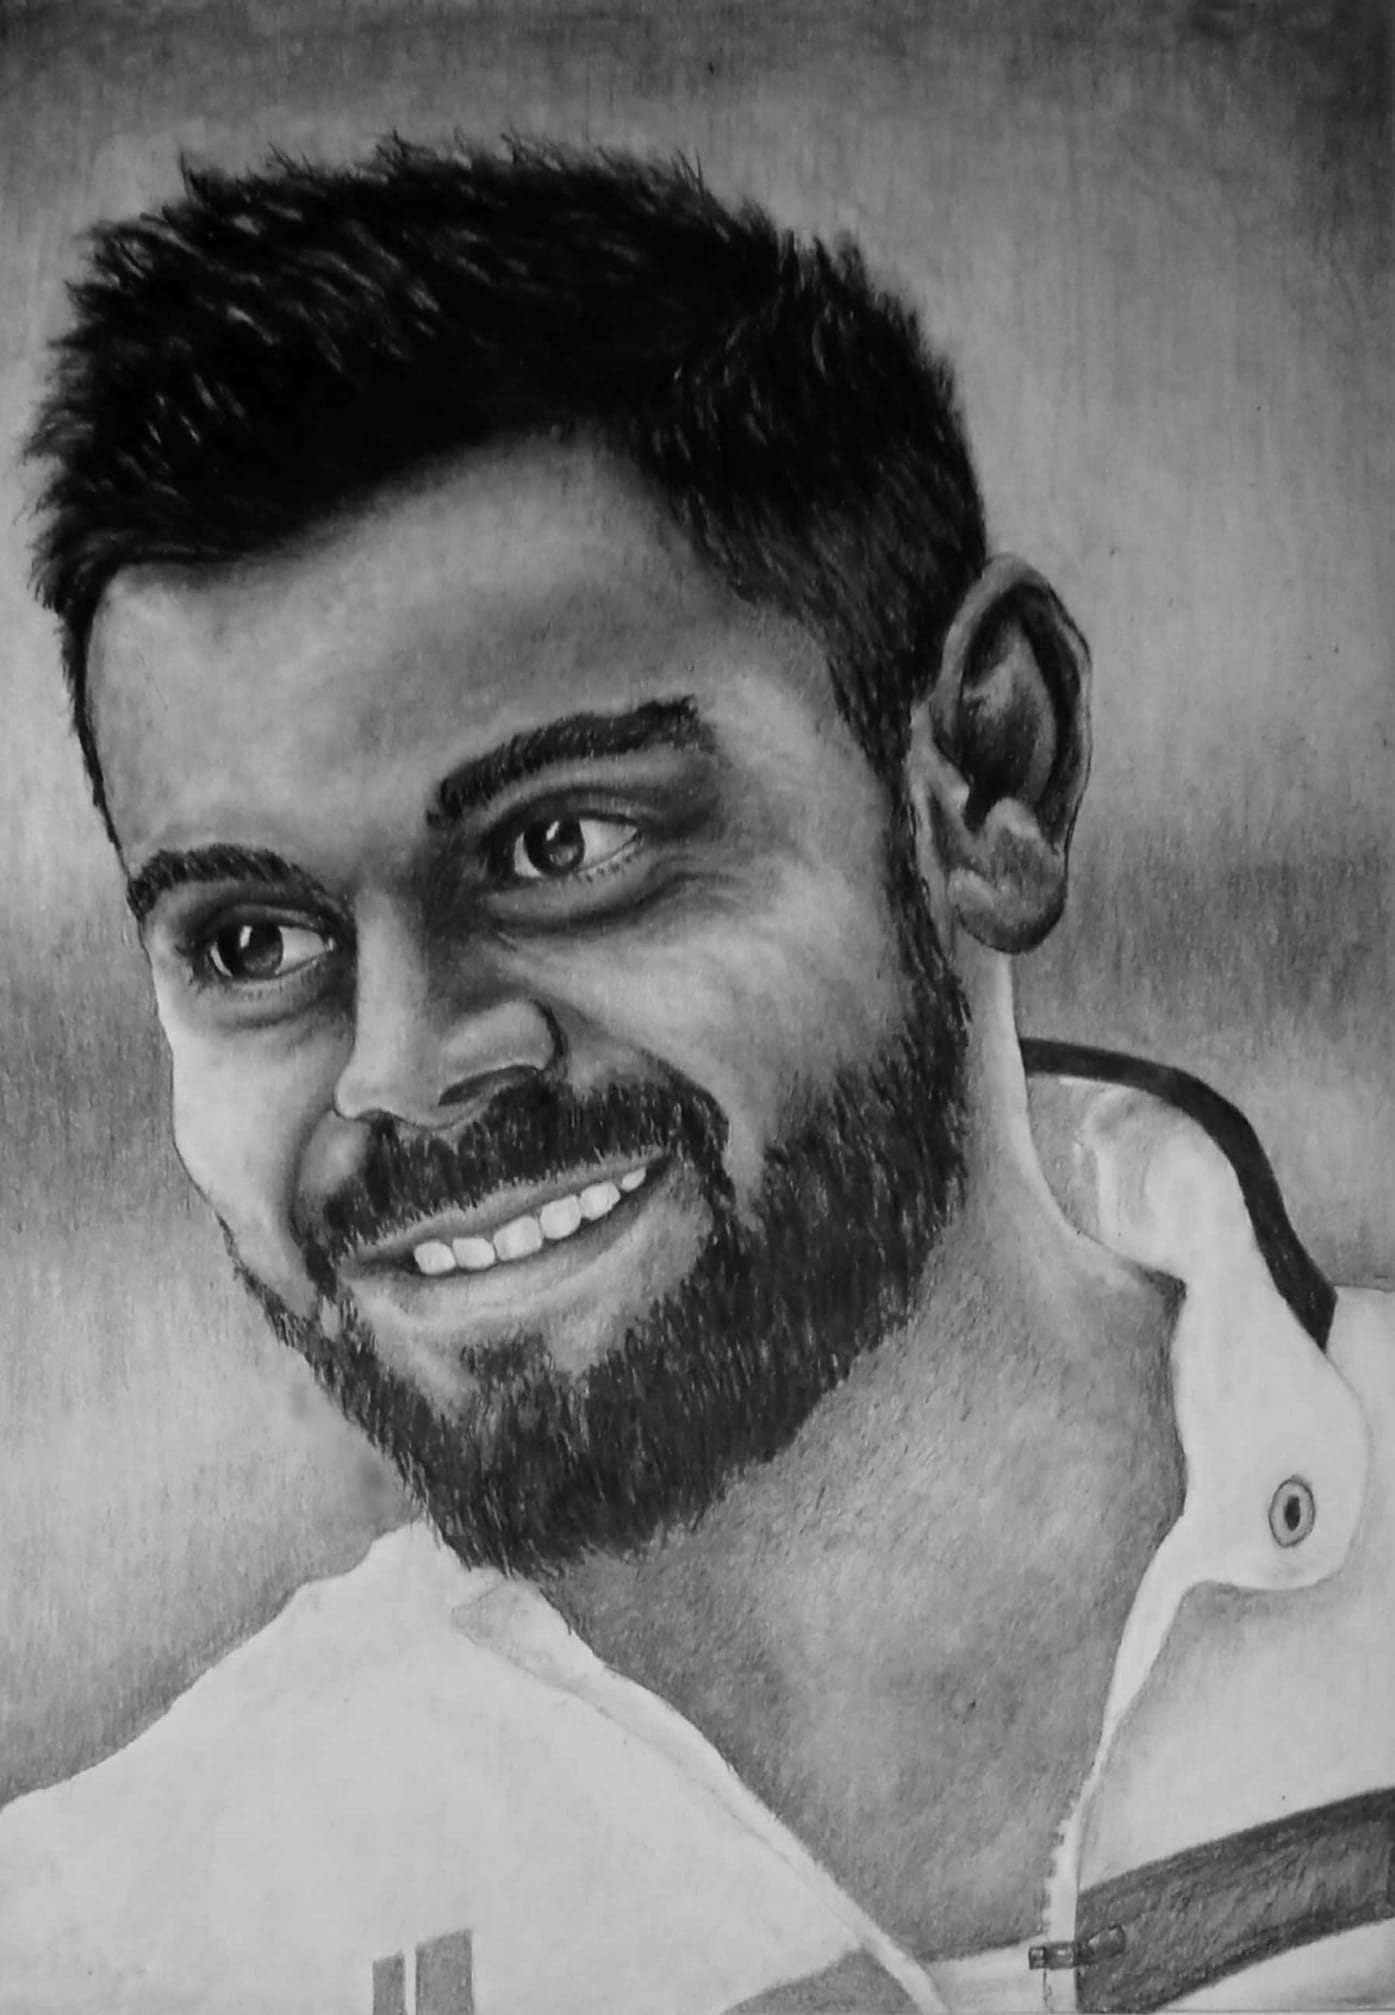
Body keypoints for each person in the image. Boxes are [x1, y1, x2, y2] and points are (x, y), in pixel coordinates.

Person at [1, 140, 1390, 2015]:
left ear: (986, 778)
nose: (403, 1071)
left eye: (561, 844)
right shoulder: (116, 1947)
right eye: (252, 943)